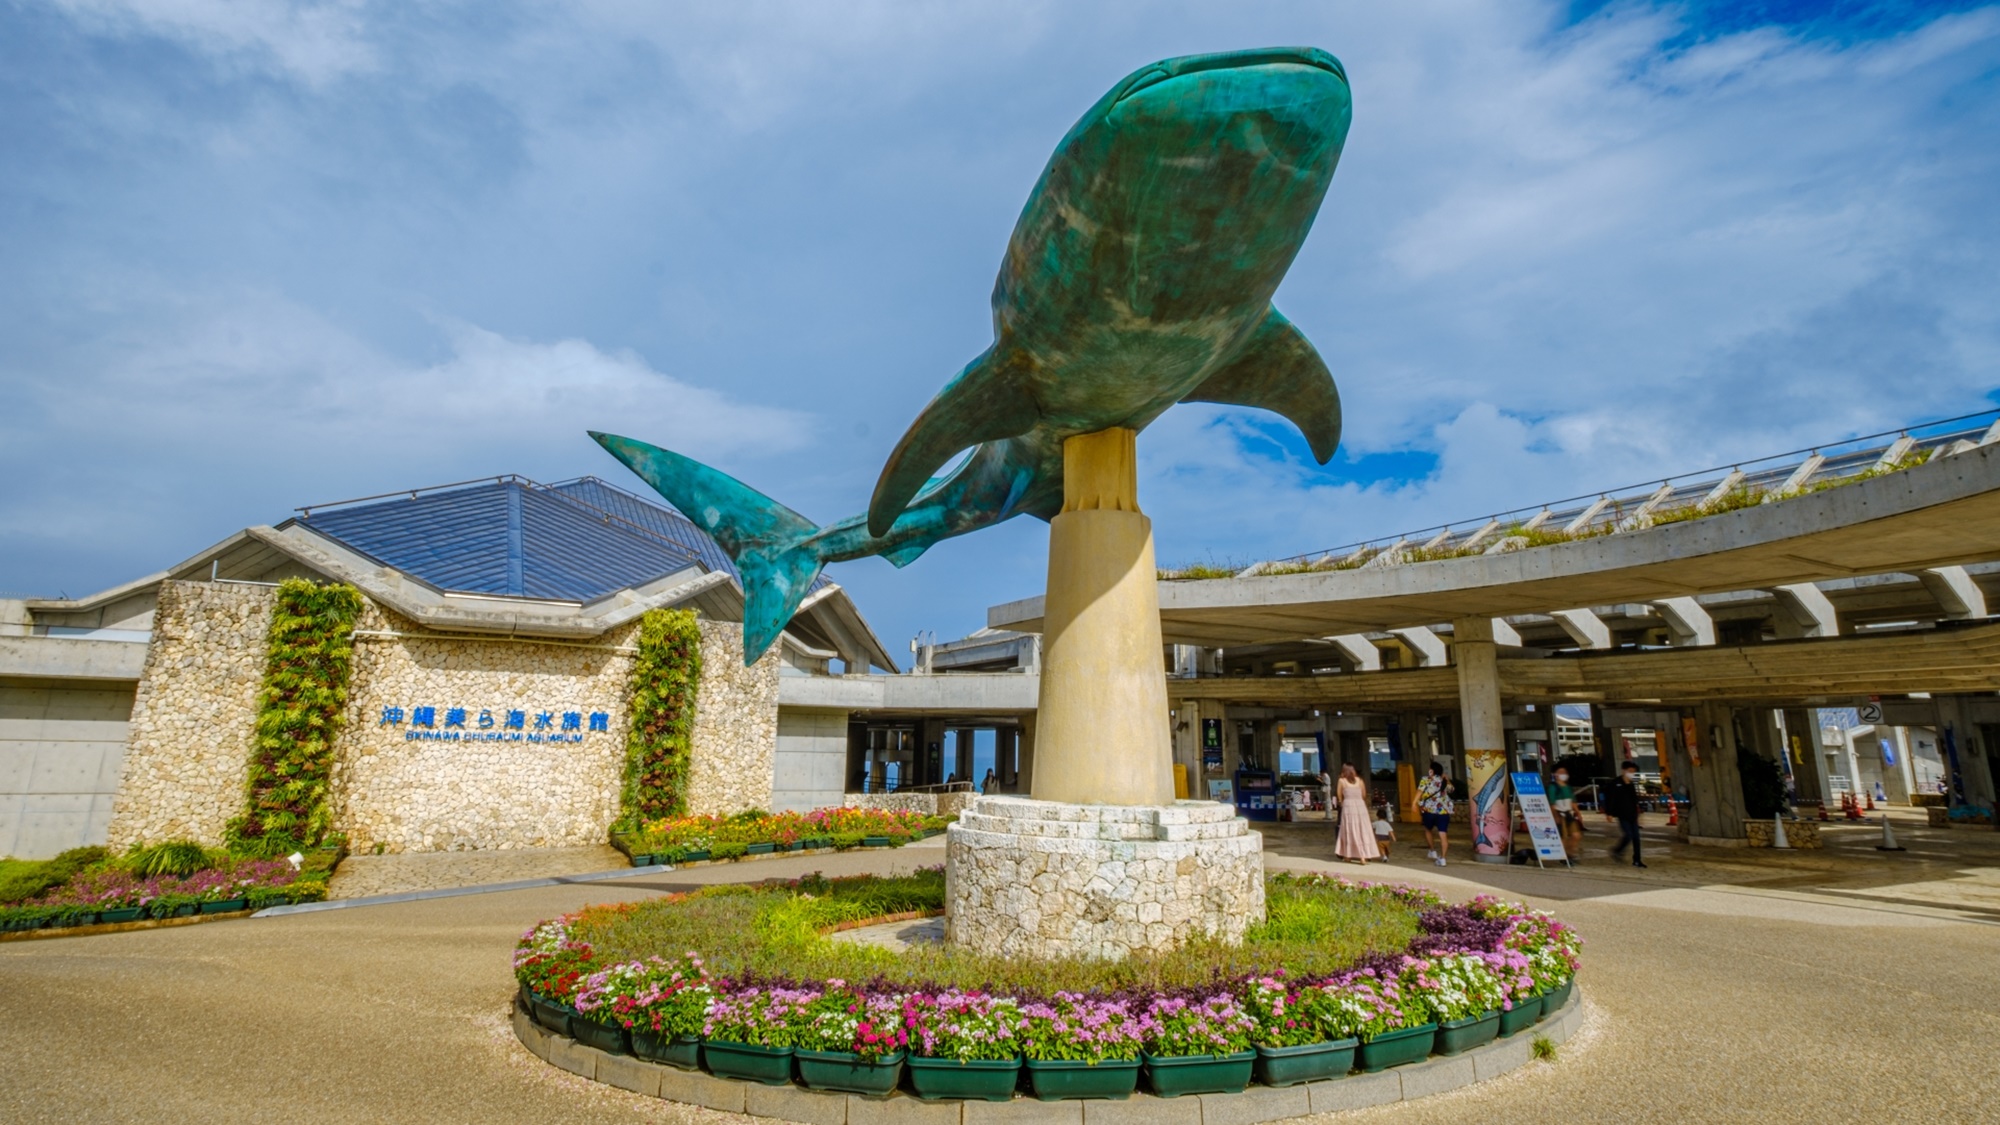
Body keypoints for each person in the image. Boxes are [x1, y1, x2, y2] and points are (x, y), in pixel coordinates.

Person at [1333, 763, 1381, 864]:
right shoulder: (1360, 781)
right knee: (1362, 830)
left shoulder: (1342, 781)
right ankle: (1363, 856)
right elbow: (1364, 795)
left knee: (1349, 830)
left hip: (1348, 806)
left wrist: (1342, 802)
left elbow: (1339, 795)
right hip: (1360, 806)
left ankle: (1348, 855)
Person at [1605, 761, 1646, 868]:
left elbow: (1634, 800)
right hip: (1622, 815)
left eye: (1634, 772)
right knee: (1628, 835)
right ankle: (1617, 850)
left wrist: (1639, 813)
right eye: (1630, 771)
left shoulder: (1631, 785)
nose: (1632, 773)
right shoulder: (1615, 783)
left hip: (1632, 814)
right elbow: (1610, 799)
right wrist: (1609, 813)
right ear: (1624, 770)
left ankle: (1637, 860)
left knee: (1636, 838)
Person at [1417, 761, 1453, 867]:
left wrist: (1414, 803)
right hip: (1444, 811)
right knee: (1443, 834)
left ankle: (1432, 851)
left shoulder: (1426, 779)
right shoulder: (1445, 781)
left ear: (1431, 770)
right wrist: (1447, 779)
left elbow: (1419, 791)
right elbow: (1452, 790)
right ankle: (1443, 859)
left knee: (1428, 829)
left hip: (1429, 810)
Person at [1550, 766, 1582, 860]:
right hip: (1559, 814)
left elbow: (1573, 802)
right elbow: (1552, 803)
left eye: (1565, 772)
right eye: (1560, 772)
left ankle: (1570, 854)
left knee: (1576, 835)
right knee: (1563, 837)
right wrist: (1555, 815)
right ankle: (1564, 857)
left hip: (1568, 813)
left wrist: (1578, 813)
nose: (1563, 774)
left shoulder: (1568, 787)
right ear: (1555, 775)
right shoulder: (1553, 787)